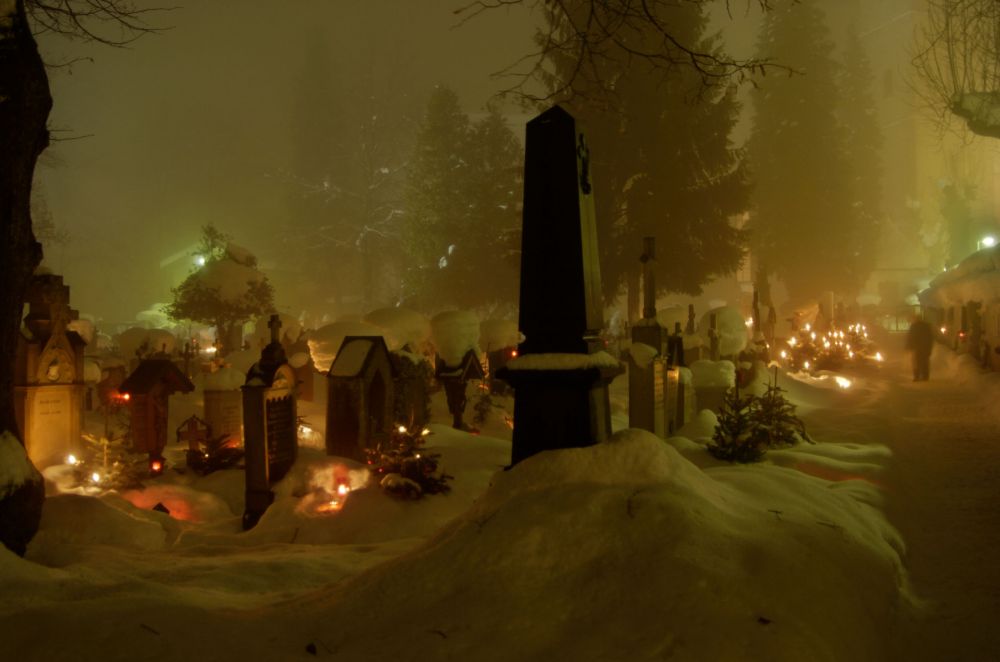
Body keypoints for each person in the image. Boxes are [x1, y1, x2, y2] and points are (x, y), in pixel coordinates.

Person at [905, 313, 934, 381]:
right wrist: (929, 347)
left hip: (916, 347)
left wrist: (908, 346)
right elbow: (930, 337)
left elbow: (910, 337)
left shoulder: (914, 326)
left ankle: (916, 376)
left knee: (916, 362)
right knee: (925, 362)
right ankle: (925, 376)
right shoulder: (926, 326)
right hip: (925, 347)